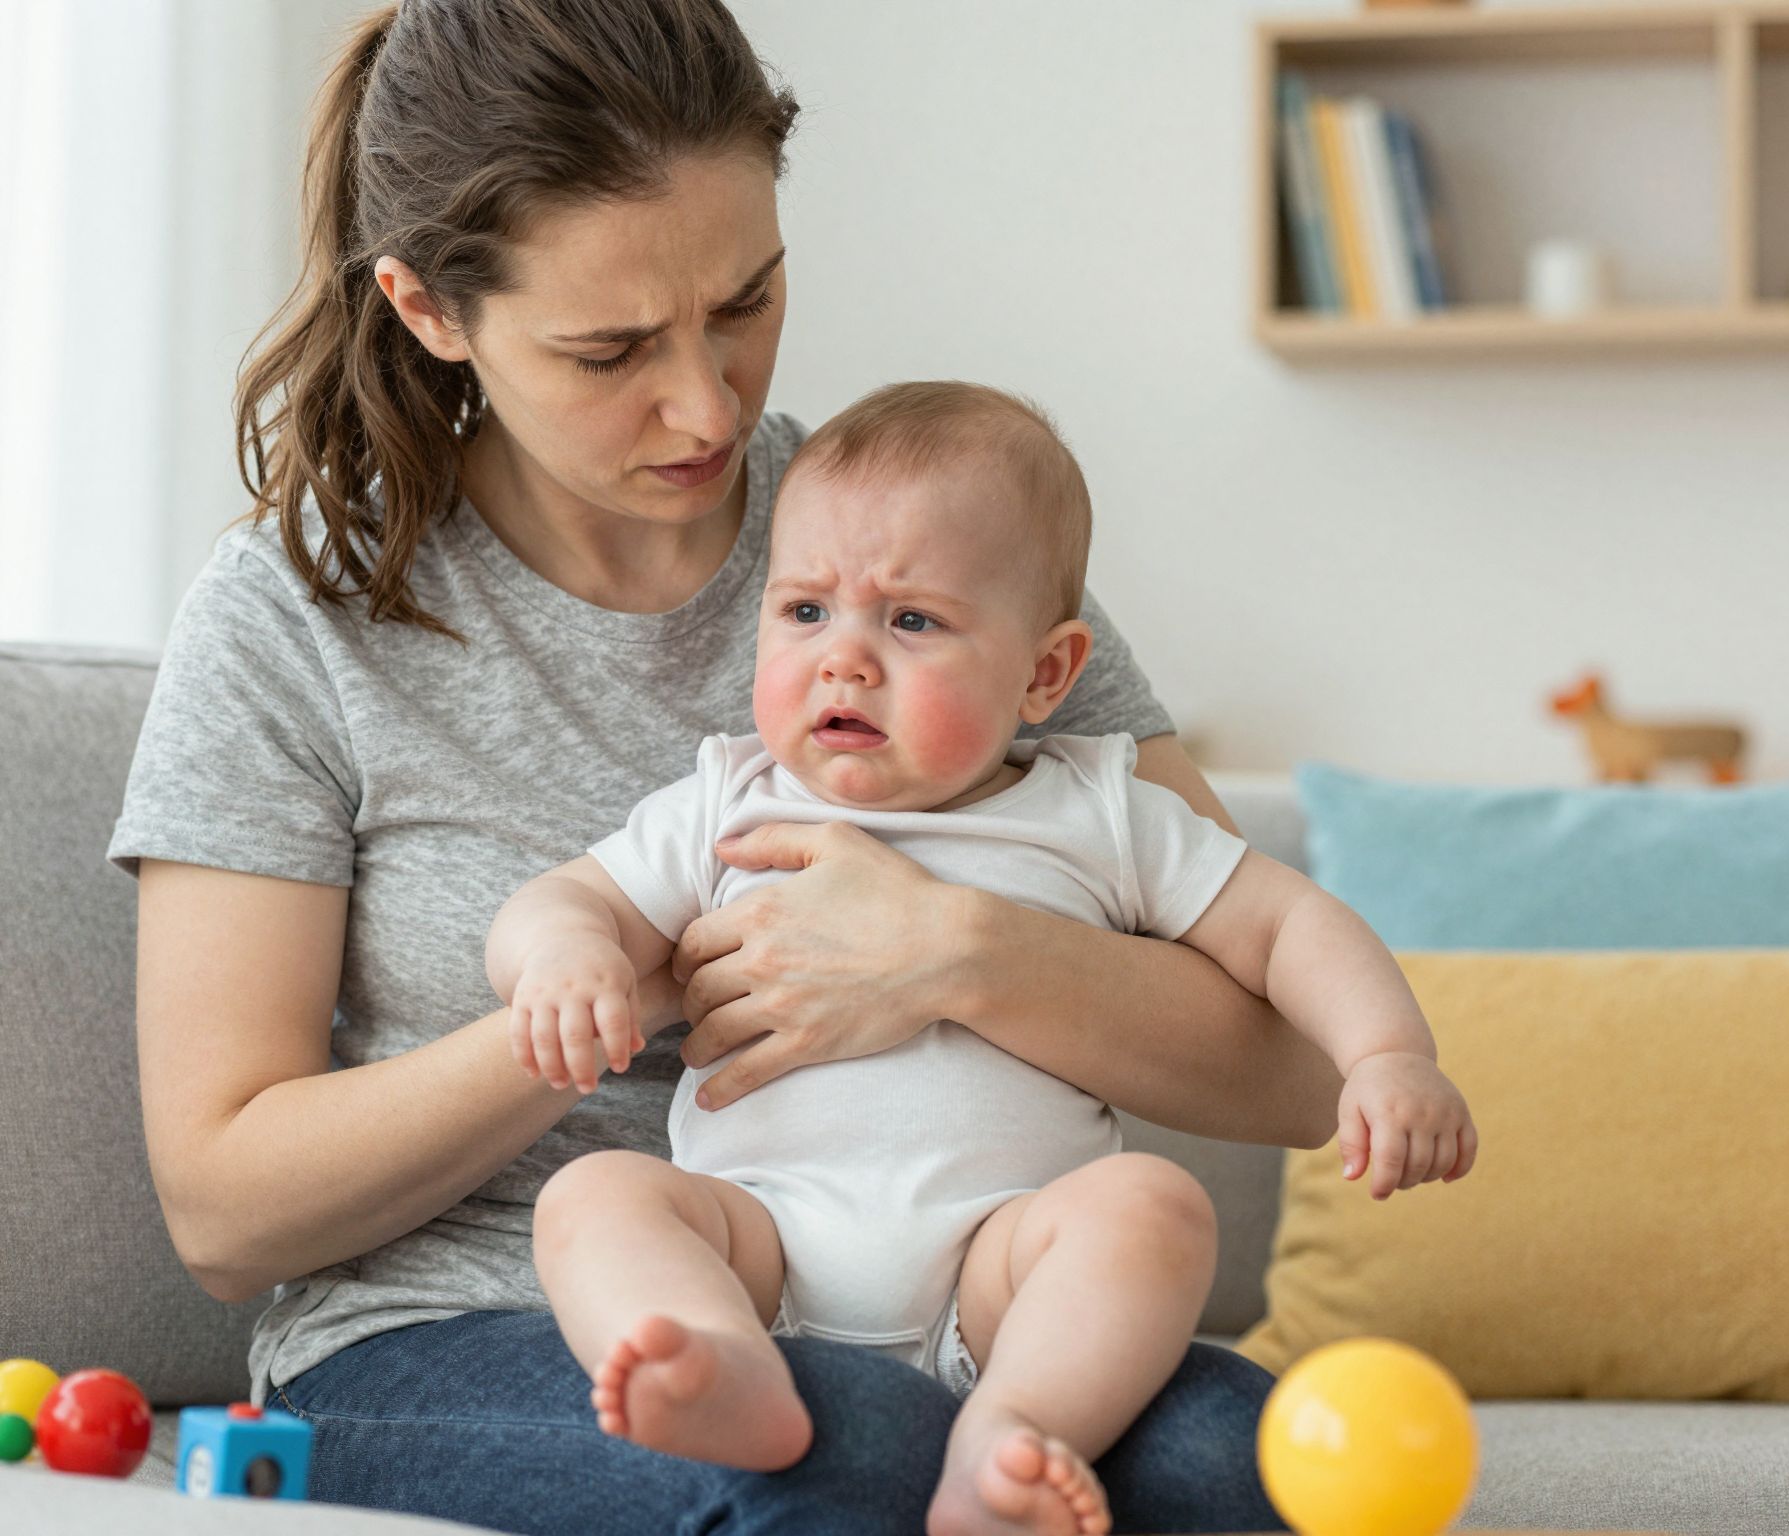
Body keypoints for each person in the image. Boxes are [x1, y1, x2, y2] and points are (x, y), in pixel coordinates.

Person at [108, 4, 1350, 1533]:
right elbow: (225, 1207)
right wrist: (617, 995)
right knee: (846, 1453)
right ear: (430, 309)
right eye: (611, 349)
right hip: (463, 1330)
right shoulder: (299, 616)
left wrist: (953, 953)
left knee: (1269, 1469)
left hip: (966, 1312)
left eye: (747, 300)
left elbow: (1295, 1066)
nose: (707, 405)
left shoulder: (929, 550)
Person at [489, 380, 1481, 1536]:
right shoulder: (725, 796)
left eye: (911, 621)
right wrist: (564, 955)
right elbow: (561, 900)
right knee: (595, 1197)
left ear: (1045, 675)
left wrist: (1385, 1052)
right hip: (755, 1243)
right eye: (804, 611)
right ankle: (714, 1372)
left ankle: (1014, 1436)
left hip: (1001, 1271)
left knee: (1152, 1209)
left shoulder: (1101, 812)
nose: (844, 661)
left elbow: (1285, 924)